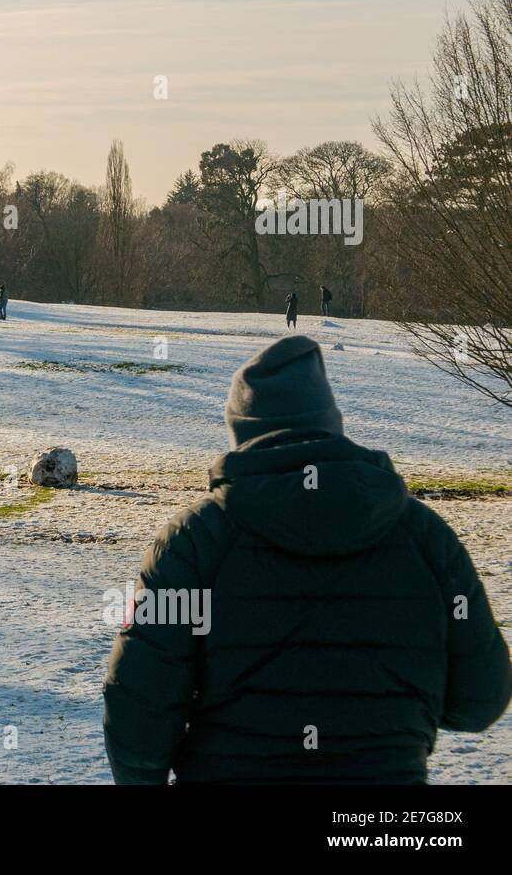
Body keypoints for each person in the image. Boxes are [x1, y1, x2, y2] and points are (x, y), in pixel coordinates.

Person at [103, 336, 511, 784]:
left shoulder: (192, 543)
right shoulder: (426, 538)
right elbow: (479, 701)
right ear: (330, 424)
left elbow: (139, 719)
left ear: (242, 437)